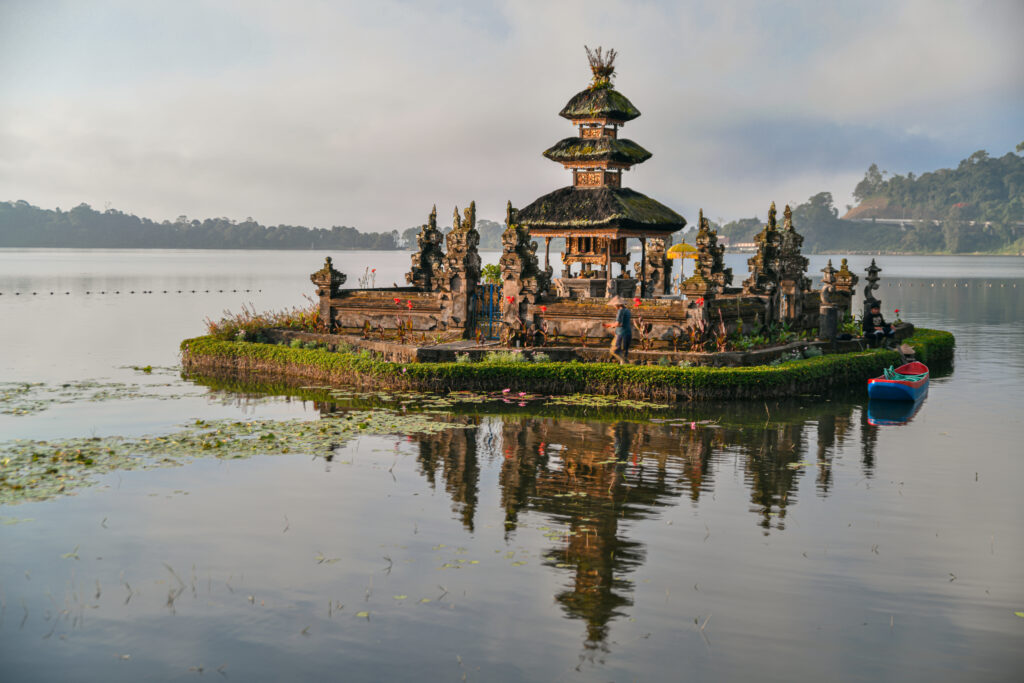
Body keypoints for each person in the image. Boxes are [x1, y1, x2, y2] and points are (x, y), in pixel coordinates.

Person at [603, 296, 632, 364]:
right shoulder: (627, 310)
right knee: (623, 351)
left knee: (614, 350)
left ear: (617, 305)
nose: (613, 306)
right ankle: (624, 363)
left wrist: (609, 325)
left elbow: (618, 324)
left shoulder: (620, 311)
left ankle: (623, 361)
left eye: (614, 305)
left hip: (621, 334)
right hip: (627, 333)